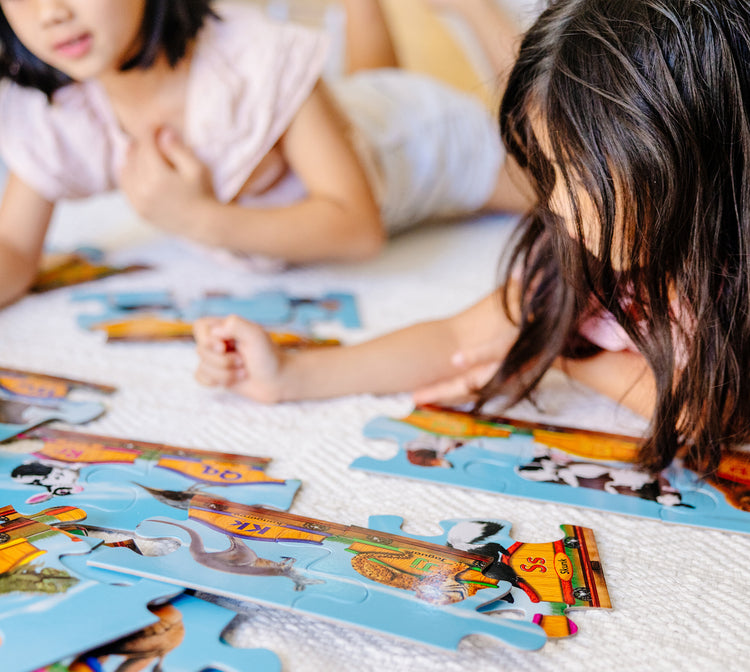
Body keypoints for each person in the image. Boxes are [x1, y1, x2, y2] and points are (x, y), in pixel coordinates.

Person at [195, 0, 750, 474]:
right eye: (549, 171)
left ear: (687, 167)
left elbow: (706, 414)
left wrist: (563, 358)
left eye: (576, 175)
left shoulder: (727, 276)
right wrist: (291, 374)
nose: (552, 203)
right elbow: (457, 336)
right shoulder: (592, 251)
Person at [0, 0, 528, 308]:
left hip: (421, 136)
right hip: (354, 119)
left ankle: (474, 8)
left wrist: (196, 218)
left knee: (553, 172)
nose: (52, 14)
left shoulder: (251, 59)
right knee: (361, 98)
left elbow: (358, 227)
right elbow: (14, 251)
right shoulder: (60, 107)